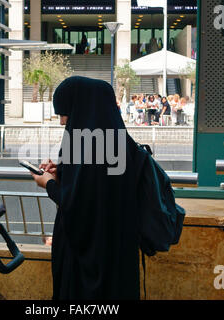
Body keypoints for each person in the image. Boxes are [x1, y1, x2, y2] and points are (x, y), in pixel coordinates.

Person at [30, 76, 146, 300]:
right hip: (118, 254)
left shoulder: (83, 144)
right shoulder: (122, 142)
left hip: (87, 266)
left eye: (65, 113)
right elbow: (98, 188)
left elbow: (77, 205)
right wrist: (61, 172)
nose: (62, 121)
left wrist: (48, 183)